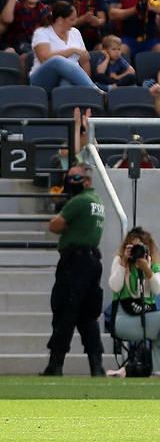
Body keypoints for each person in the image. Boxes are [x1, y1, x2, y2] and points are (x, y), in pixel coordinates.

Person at [40, 162, 106, 377]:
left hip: (75, 262)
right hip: (92, 261)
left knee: (65, 310)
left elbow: (55, 225)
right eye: (70, 177)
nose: (71, 181)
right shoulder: (97, 201)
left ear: (88, 180)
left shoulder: (80, 201)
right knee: (88, 316)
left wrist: (63, 222)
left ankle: (56, 364)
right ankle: (96, 366)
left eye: (76, 178)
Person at [106, 228, 160, 378]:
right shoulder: (120, 262)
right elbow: (114, 286)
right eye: (131, 247)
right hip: (122, 320)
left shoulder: (153, 266)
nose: (135, 252)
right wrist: (124, 262)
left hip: (145, 318)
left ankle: (156, 371)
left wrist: (147, 270)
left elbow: (157, 290)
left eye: (139, 248)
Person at [28, 0, 101, 92]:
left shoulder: (75, 32)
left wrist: (84, 84)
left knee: (66, 82)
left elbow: (84, 62)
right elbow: (44, 59)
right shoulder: (42, 32)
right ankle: (95, 91)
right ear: (60, 20)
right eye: (72, 19)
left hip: (69, 78)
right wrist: (71, 51)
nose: (75, 22)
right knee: (57, 60)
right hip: (44, 79)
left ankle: (74, 102)